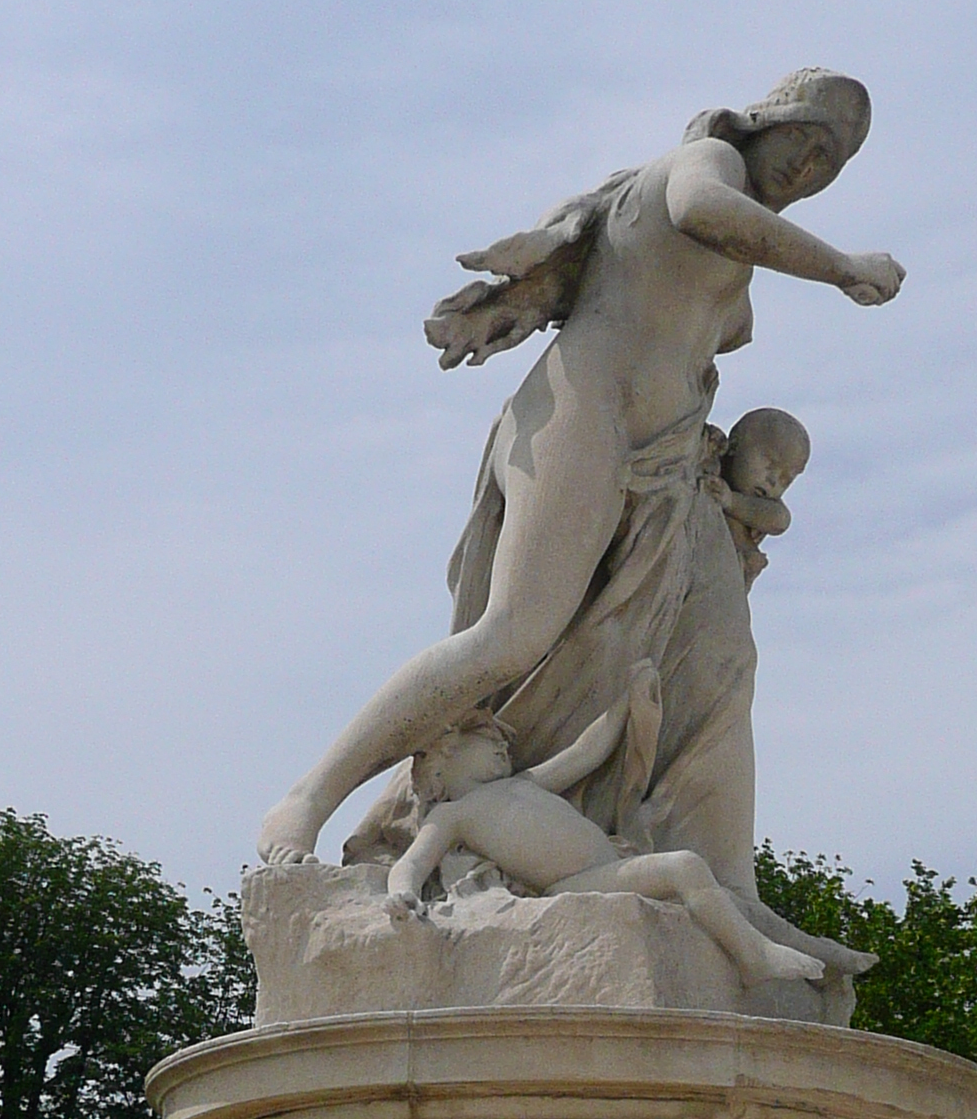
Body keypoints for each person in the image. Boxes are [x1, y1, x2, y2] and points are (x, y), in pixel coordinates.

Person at [258, 68, 902, 870]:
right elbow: (703, 213)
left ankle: (705, 885)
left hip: (665, 455)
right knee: (509, 637)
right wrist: (840, 265)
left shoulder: (740, 239)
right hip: (586, 412)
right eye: (806, 142)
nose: (809, 170)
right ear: (765, 121)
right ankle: (309, 797)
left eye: (830, 164)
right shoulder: (704, 166)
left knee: (713, 656)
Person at [386, 673, 825, 998]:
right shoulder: (452, 816)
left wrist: (625, 703)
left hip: (608, 866)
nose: (502, 747)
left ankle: (746, 951)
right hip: (571, 884)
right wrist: (402, 893)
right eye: (487, 742)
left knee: (683, 872)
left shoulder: (523, 783)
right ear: (443, 759)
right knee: (683, 866)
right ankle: (753, 955)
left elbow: (584, 753)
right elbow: (412, 863)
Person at [708, 404, 812, 587]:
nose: (773, 482)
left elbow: (780, 520)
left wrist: (731, 502)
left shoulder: (762, 508)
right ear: (734, 444)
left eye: (785, 480)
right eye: (770, 466)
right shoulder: (710, 460)